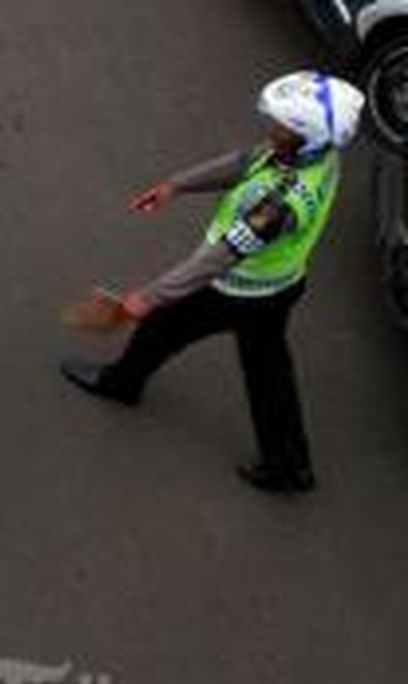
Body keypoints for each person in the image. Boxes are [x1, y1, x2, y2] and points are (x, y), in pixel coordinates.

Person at [60, 72, 365, 493]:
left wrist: (146, 298)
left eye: (282, 125)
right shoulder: (317, 156)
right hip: (280, 285)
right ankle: (289, 465)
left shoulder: (278, 207)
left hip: (236, 289)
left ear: (304, 136)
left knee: (161, 324)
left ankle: (121, 384)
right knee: (268, 370)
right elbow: (245, 161)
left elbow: (218, 258)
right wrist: (177, 185)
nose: (272, 130)